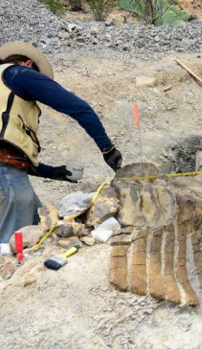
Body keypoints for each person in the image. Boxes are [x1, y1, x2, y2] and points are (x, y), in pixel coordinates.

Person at [0, 42, 122, 247]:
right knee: (12, 243)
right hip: (6, 170)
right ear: (28, 63)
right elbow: (79, 108)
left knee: (38, 224)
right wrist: (107, 149)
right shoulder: (21, 73)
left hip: (8, 168)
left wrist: (52, 172)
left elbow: (13, 150)